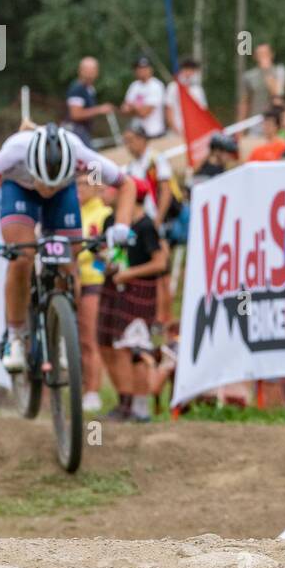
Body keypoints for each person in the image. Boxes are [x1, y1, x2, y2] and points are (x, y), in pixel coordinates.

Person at [0, 123, 136, 372]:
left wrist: (121, 225)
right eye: (44, 182)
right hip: (18, 191)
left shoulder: (83, 156)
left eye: (53, 184)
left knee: (69, 261)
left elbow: (126, 185)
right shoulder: (11, 156)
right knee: (21, 257)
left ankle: (63, 330)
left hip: (65, 196)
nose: (47, 190)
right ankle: (15, 336)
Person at [97, 181, 168, 423]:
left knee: (132, 349)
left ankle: (136, 407)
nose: (102, 191)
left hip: (138, 291)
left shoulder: (146, 226)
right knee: (107, 344)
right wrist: (104, 262)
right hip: (113, 288)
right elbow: (106, 254)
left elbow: (160, 263)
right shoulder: (109, 222)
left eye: (108, 188)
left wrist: (130, 273)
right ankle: (125, 402)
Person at [76, 175, 112, 414]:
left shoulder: (104, 214)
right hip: (71, 281)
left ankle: (93, 391)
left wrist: (93, 269)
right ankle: (82, 389)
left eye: (85, 184)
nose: (79, 189)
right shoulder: (71, 213)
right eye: (76, 184)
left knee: (90, 340)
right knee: (77, 341)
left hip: (93, 283)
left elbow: (108, 252)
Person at [122, 119, 173, 222]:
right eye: (125, 142)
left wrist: (158, 220)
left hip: (164, 219)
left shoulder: (156, 159)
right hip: (147, 219)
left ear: (142, 139)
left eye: (130, 140)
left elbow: (166, 191)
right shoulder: (130, 167)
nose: (128, 146)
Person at [64, 56, 114, 145]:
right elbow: (75, 114)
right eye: (87, 71)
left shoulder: (89, 88)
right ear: (80, 71)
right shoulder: (77, 89)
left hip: (83, 131)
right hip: (76, 131)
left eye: (92, 71)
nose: (89, 75)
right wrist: (99, 109)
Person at [240, 43, 285, 124]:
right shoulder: (249, 76)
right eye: (260, 54)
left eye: (266, 54)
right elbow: (245, 102)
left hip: (275, 121)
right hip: (255, 120)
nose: (263, 56)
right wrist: (241, 125)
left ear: (272, 54)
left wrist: (266, 72)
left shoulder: (280, 72)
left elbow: (278, 95)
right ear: (255, 57)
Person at [121, 56, 167, 139]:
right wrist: (138, 108)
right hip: (138, 134)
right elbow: (124, 110)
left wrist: (133, 107)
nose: (142, 71)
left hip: (155, 132)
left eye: (145, 68)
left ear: (150, 69)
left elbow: (144, 113)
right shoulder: (134, 86)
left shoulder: (156, 85)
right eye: (139, 69)